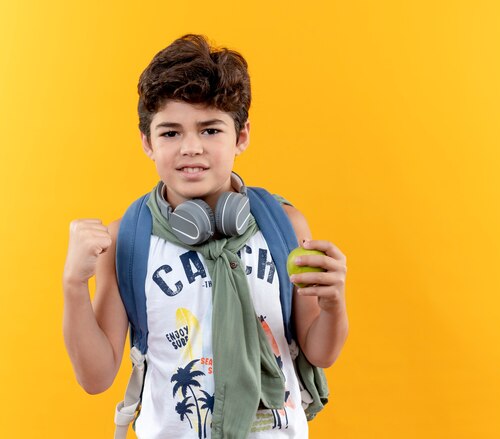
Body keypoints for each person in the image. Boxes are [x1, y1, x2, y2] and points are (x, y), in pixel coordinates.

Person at [62, 34, 348, 438]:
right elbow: (95, 377)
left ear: (242, 135)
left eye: (211, 130)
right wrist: (74, 285)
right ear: (147, 141)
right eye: (170, 133)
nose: (191, 148)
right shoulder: (126, 240)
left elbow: (321, 351)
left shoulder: (284, 225)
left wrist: (334, 304)